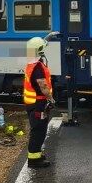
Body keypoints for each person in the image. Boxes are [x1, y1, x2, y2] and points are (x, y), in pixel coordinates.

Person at [23, 34, 58, 168]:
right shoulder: (37, 68)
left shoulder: (31, 65)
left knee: (39, 129)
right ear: (39, 51)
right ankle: (34, 160)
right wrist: (51, 99)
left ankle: (36, 154)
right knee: (38, 130)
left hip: (33, 103)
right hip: (38, 105)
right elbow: (43, 85)